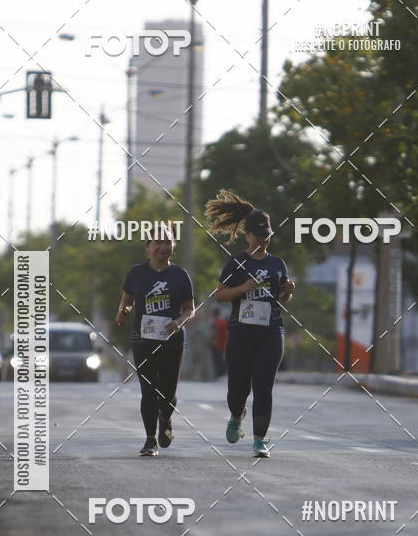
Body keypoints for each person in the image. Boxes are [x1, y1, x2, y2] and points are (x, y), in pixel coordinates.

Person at [205, 189, 295, 458]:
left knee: (264, 385)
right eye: (258, 237)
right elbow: (220, 295)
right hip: (241, 331)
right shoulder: (236, 262)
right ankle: (236, 415)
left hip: (271, 330)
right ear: (247, 235)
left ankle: (260, 441)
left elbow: (281, 299)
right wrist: (243, 287)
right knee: (238, 389)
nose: (263, 241)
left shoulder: (277, 263)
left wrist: (288, 291)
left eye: (267, 236)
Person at [116, 228, 195, 457]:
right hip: (143, 339)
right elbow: (125, 301)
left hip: (172, 339)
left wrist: (179, 321)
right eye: (157, 242)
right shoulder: (136, 273)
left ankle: (166, 420)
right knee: (148, 389)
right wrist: (123, 312)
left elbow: (190, 308)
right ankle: (150, 439)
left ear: (173, 247)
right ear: (147, 247)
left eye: (167, 242)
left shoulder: (180, 275)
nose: (162, 246)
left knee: (168, 391)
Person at [210, 306, 227, 378]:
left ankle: (219, 376)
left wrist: (210, 340)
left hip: (216, 345)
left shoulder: (215, 323)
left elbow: (214, 333)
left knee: (217, 361)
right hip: (223, 344)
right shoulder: (223, 322)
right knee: (222, 361)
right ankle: (223, 375)